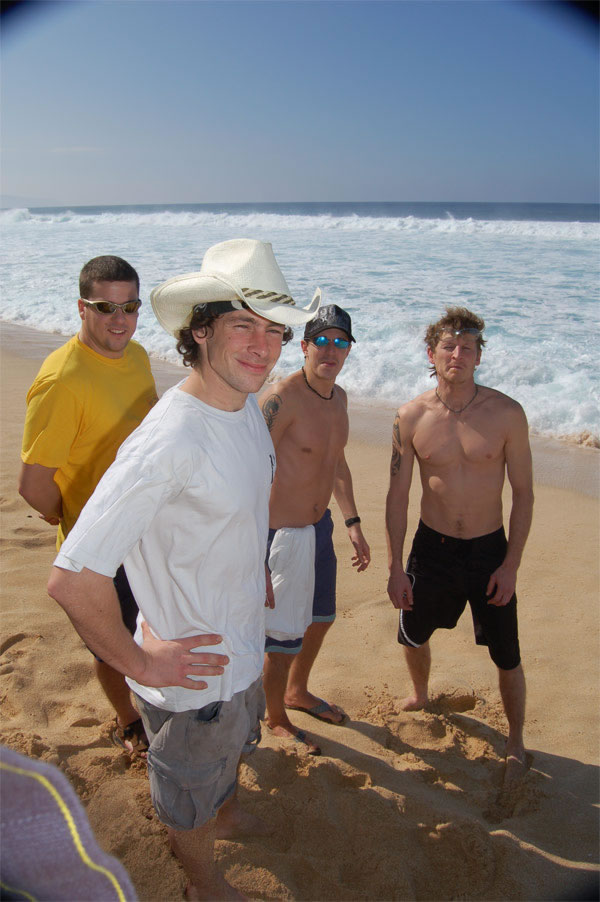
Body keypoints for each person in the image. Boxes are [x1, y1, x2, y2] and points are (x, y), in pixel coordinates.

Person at [47, 238, 321, 901]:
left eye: (274, 330)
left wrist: (252, 568)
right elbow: (73, 579)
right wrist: (141, 664)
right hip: (191, 680)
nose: (263, 346)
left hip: (241, 647)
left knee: (230, 756)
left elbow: (242, 504)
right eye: (243, 325)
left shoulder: (245, 408)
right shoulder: (169, 440)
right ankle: (203, 882)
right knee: (187, 793)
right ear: (200, 330)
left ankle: (226, 813)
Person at [386, 306, 534, 783]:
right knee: (412, 632)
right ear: (431, 354)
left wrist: (510, 565)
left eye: (467, 347)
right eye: (448, 346)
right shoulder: (411, 416)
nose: (457, 354)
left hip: (489, 550)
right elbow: (397, 495)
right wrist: (394, 567)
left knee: (506, 651)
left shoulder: (507, 414)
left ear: (478, 357)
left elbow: (524, 494)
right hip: (432, 548)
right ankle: (420, 693)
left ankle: (515, 739)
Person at [18, 255, 158, 755]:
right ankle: (128, 719)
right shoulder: (63, 380)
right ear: (82, 308)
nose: (120, 320)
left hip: (147, 528)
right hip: (102, 546)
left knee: (151, 627)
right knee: (112, 641)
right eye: (105, 308)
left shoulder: (137, 356)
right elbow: (33, 484)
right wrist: (76, 518)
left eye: (130, 307)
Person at [260, 304, 371, 756]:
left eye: (340, 342)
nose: (330, 350)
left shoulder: (339, 398)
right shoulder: (281, 398)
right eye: (321, 341)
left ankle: (296, 690)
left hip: (318, 529)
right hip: (278, 534)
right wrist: (252, 547)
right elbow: (248, 469)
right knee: (281, 635)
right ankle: (275, 716)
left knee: (320, 618)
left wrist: (352, 521)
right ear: (304, 347)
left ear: (348, 350)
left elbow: (335, 462)